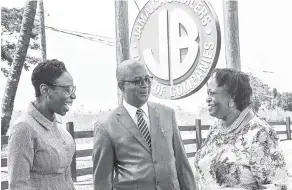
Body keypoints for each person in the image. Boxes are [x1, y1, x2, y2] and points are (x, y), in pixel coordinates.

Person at [92, 59, 196, 190]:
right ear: (121, 86)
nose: (145, 85)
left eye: (147, 79)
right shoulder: (106, 126)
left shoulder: (167, 114)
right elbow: (102, 182)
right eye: (137, 81)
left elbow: (182, 165)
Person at [194, 68, 289, 190]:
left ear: (231, 96)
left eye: (212, 93)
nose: (207, 99)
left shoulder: (260, 133)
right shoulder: (215, 128)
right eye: (207, 93)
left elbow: (279, 185)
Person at [8, 59, 77, 190]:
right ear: (45, 90)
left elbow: (67, 181)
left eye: (73, 89)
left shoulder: (59, 128)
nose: (73, 96)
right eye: (67, 89)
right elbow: (18, 185)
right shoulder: (24, 129)